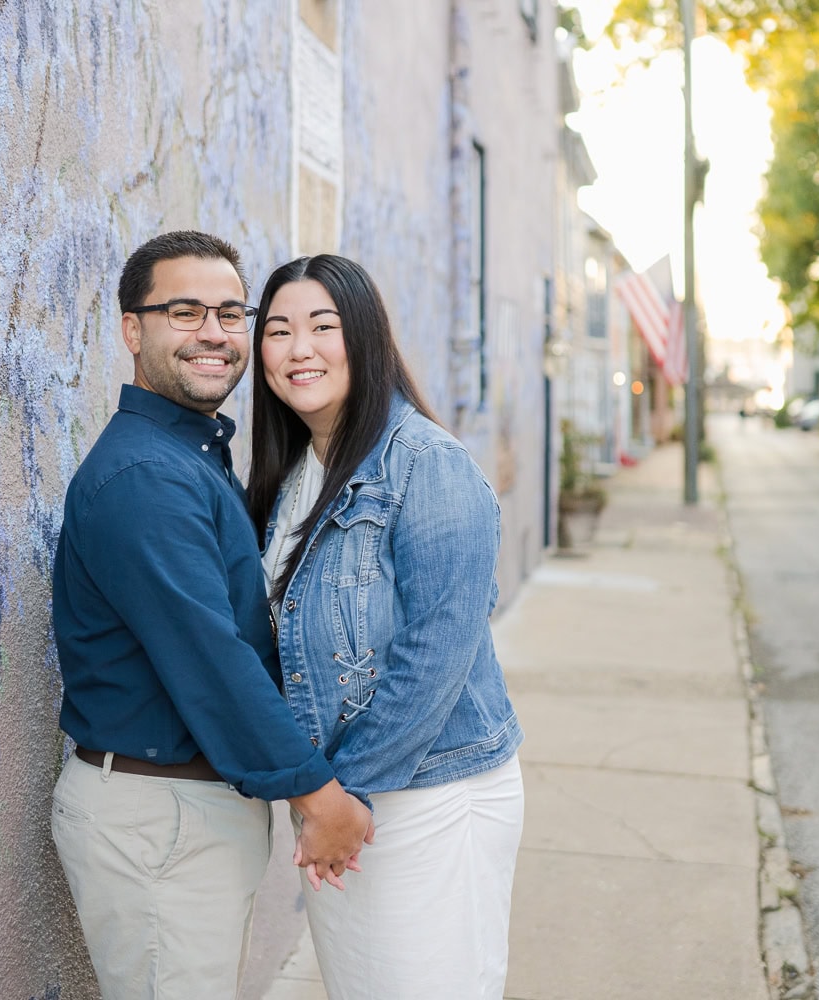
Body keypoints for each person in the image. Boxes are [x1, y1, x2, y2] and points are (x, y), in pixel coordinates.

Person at [50, 232, 372, 1000]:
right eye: (185, 311)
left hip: (185, 814)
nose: (215, 333)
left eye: (232, 313)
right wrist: (316, 794)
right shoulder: (145, 477)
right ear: (134, 330)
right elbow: (211, 660)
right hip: (158, 819)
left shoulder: (192, 456)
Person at [248, 254, 526, 999]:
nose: (298, 349)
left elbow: (434, 656)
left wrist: (347, 798)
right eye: (277, 331)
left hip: (430, 797)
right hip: (345, 804)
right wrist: (321, 795)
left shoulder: (427, 466)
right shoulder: (297, 472)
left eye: (322, 327)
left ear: (365, 338)